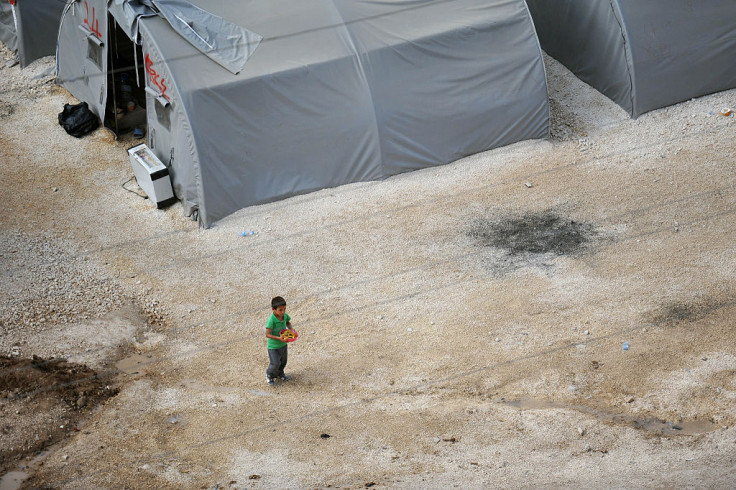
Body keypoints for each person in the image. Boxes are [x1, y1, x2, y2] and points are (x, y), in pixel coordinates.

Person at [265, 296, 295, 386]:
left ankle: (280, 374)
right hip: (273, 347)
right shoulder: (271, 321)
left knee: (283, 361)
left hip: (283, 344)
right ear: (273, 309)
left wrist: (291, 330)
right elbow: (267, 334)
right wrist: (279, 338)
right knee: (275, 363)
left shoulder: (284, 316)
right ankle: (269, 375)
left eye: (284, 309)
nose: (283, 312)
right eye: (280, 310)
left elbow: (288, 322)